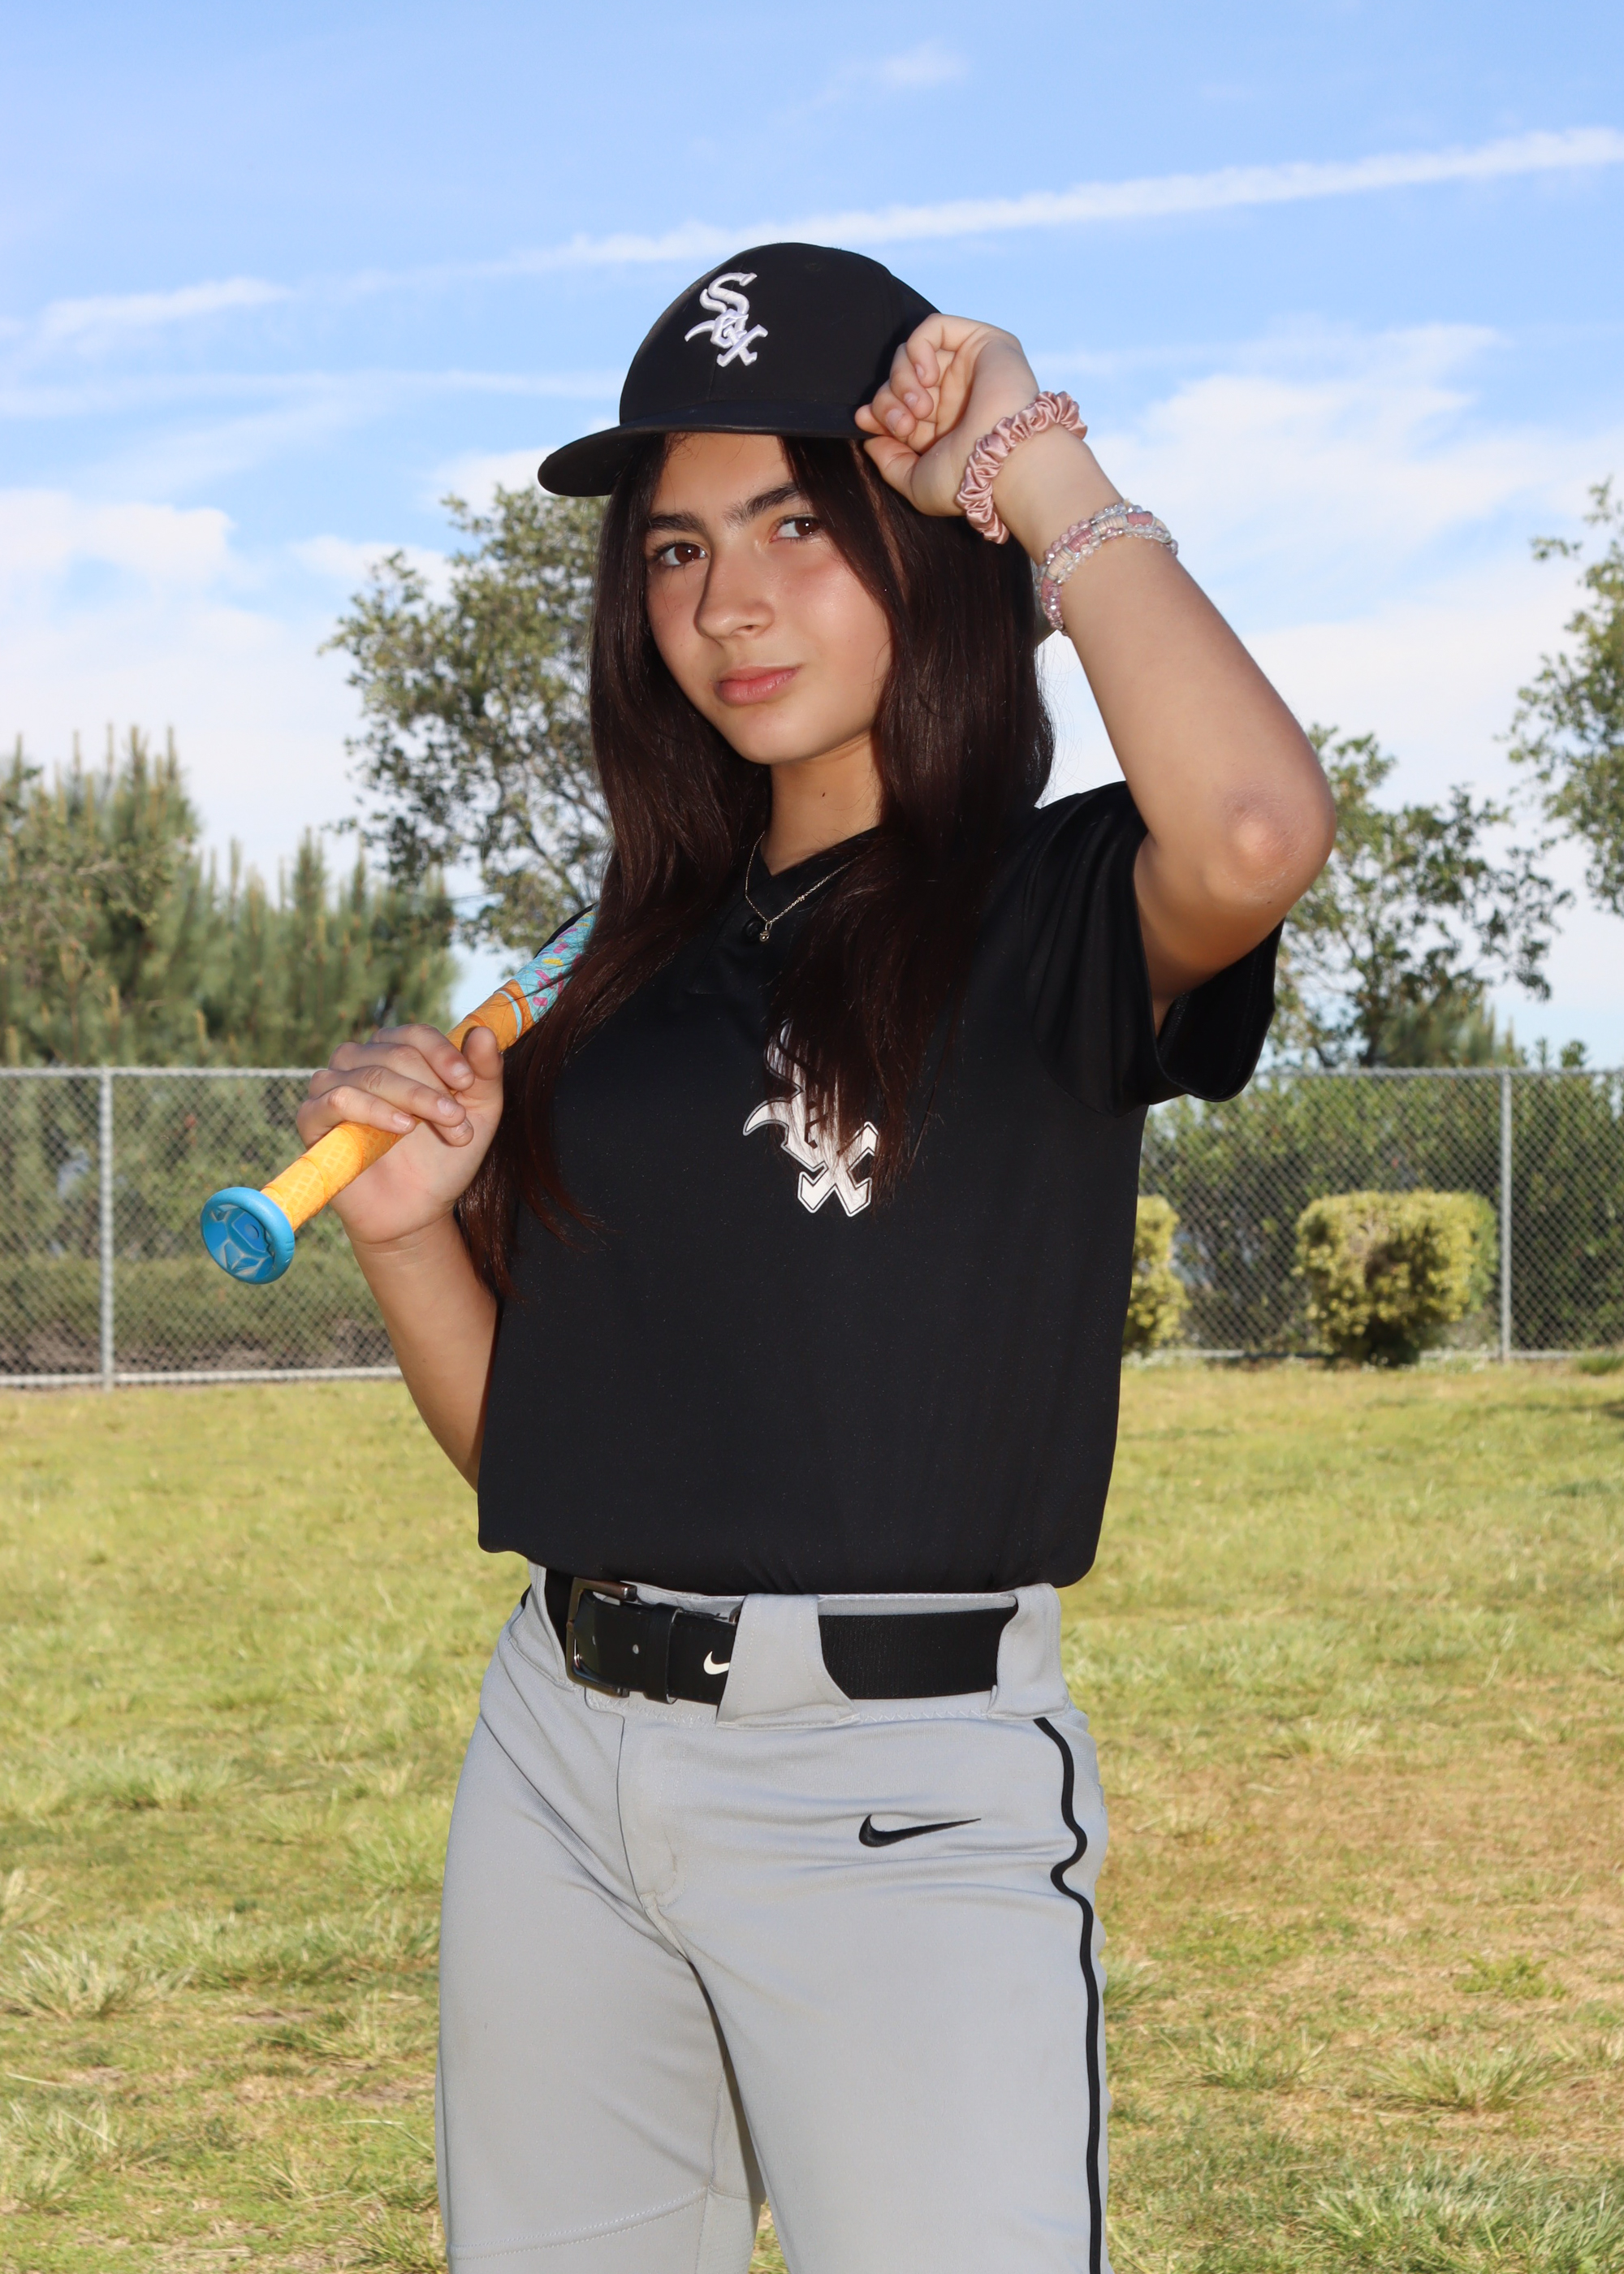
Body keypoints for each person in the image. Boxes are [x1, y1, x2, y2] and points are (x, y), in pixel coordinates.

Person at [297, 244, 1335, 2274]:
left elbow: (1250, 829)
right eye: (675, 550)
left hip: (898, 1788)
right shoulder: (618, 976)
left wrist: (1029, 455)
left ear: (925, 541)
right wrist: (411, 1240)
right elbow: (555, 1454)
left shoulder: (1047, 903)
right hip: (561, 1754)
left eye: (797, 524)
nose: (728, 603)